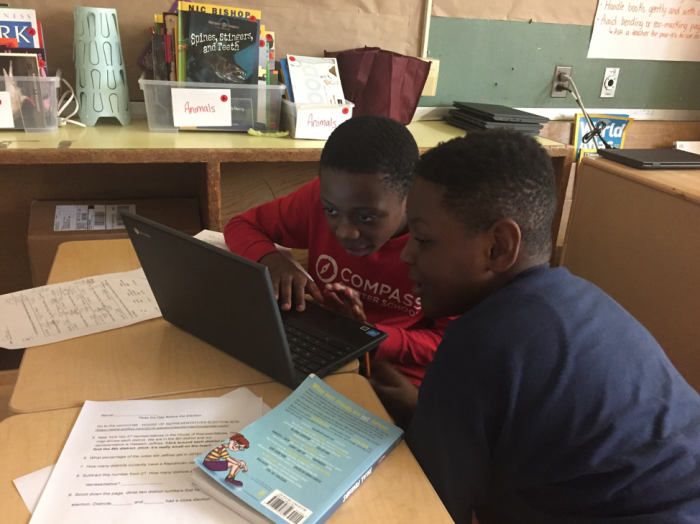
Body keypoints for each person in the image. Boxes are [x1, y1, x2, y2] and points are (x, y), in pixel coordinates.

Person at [370, 130, 700, 523]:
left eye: (423, 239)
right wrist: (427, 413)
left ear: (499, 247)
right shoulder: (580, 297)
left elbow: (421, 510)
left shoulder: (479, 343)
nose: (406, 254)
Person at [224, 115, 452, 385]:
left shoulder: (442, 242)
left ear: (410, 197)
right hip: (326, 345)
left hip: (396, 370)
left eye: (367, 217)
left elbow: (448, 342)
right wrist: (272, 260)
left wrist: (370, 336)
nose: (344, 231)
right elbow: (241, 225)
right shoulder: (323, 197)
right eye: (331, 210)